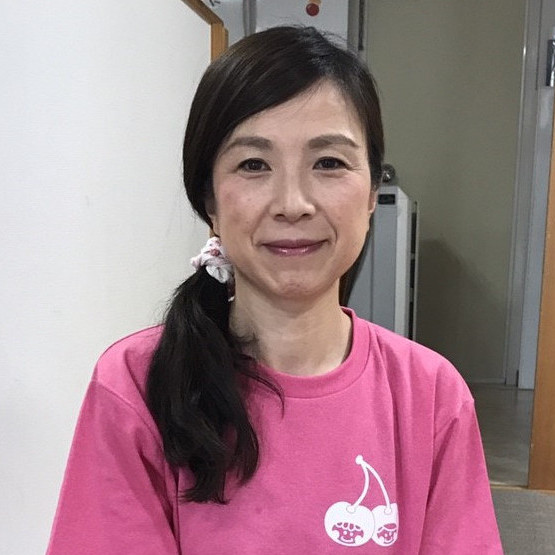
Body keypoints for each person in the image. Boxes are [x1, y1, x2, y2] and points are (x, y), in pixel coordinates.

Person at [47, 26, 503, 554]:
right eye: (253, 165)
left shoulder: (432, 395)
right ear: (210, 201)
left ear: (371, 192)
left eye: (328, 163)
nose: (293, 203)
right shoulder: (136, 385)